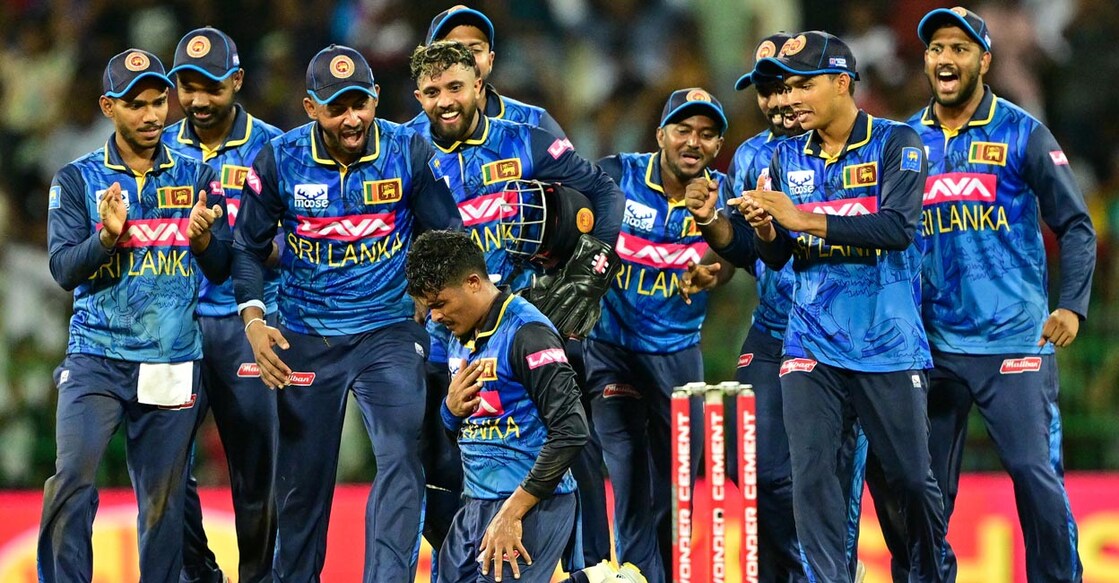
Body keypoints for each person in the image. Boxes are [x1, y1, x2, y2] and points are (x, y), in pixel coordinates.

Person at [231, 44, 461, 582]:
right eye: (337, 107)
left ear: (377, 98)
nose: (352, 117)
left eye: (361, 102)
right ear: (311, 107)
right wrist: (255, 322)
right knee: (303, 485)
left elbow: (445, 230)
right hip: (306, 336)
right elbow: (245, 248)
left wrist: (427, 296)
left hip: (388, 331)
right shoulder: (279, 160)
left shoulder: (409, 150)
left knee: (402, 455)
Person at [730, 31, 952, 582]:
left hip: (887, 344)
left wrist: (802, 219)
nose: (792, 97)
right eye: (788, 86)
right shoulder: (783, 155)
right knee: (812, 478)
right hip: (808, 343)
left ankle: (933, 572)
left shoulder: (898, 142)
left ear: (841, 82)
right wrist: (765, 230)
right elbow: (779, 256)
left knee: (910, 482)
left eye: (804, 85)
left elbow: (897, 228)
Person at [410, 38, 623, 569]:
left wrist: (592, 271)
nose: (446, 101)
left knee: (574, 439)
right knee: (444, 459)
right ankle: (479, 558)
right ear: (419, 97)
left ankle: (592, 570)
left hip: (530, 320)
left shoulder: (525, 140)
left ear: (479, 85)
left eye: (456, 86)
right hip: (445, 336)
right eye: (433, 92)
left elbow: (604, 192)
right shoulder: (406, 149)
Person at [901, 8, 1093, 582]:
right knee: (921, 488)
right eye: (936, 48)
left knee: (1035, 476)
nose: (946, 59)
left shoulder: (1022, 132)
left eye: (960, 48)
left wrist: (1072, 305)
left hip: (1013, 338)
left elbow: (1076, 225)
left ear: (984, 60)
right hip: (930, 344)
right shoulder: (906, 140)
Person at [38, 48, 232, 582]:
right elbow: (62, 268)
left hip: (172, 358)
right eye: (135, 104)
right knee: (72, 478)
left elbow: (220, 268)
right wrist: (105, 238)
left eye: (158, 102)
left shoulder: (198, 173)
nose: (151, 115)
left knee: (164, 501)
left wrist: (204, 240)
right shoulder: (77, 179)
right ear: (108, 106)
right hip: (96, 355)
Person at [687, 33, 869, 583]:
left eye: (784, 86)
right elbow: (748, 252)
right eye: (764, 90)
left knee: (837, 475)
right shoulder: (751, 157)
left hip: (846, 333)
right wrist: (715, 227)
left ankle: (835, 573)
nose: (775, 101)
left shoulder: (855, 148)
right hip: (775, 329)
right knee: (759, 468)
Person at [404, 230, 642, 583]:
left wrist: (511, 514)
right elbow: (474, 430)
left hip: (529, 504)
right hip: (476, 502)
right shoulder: (461, 332)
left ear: (472, 282)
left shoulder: (528, 333)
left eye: (439, 303)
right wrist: (449, 412)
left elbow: (572, 430)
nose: (435, 317)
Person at [583, 87, 730, 582]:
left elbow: (730, 260)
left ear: (717, 145)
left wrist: (714, 271)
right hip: (612, 351)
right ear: (660, 134)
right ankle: (640, 575)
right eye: (684, 130)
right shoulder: (615, 176)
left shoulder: (721, 193)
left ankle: (662, 572)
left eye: (707, 135)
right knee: (626, 468)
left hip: (677, 354)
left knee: (680, 482)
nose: (694, 142)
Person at [162, 26, 284, 583]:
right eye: (187, 87)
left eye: (211, 85)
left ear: (236, 81)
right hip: (173, 330)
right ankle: (201, 573)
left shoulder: (277, 148)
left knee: (256, 478)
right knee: (161, 469)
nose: (200, 100)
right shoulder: (157, 150)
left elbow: (294, 245)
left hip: (249, 326)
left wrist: (232, 244)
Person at [406, 5, 565, 138]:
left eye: (475, 50)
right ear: (429, 62)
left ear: (490, 60)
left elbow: (576, 174)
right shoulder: (408, 140)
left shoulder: (533, 123)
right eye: (454, 50)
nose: (466, 60)